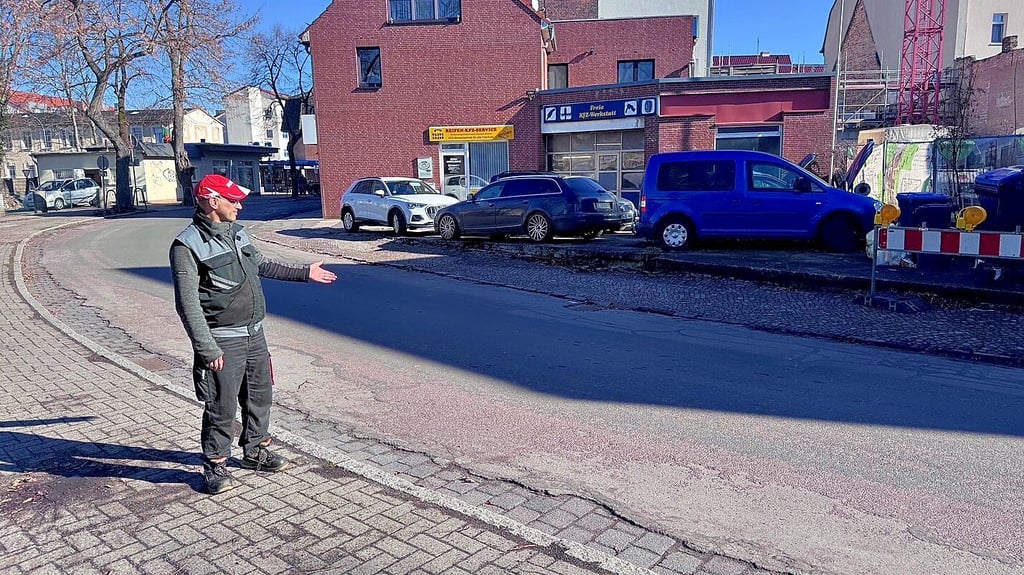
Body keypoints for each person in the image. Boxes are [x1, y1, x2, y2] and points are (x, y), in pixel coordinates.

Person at [169, 173, 337, 495]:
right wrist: (208, 349)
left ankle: (255, 450)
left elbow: (262, 265)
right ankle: (215, 464)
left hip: (254, 334)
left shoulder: (238, 234)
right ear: (212, 202)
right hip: (223, 340)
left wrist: (305, 272)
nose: (240, 205)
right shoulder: (187, 246)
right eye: (233, 200)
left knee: (260, 396)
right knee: (222, 405)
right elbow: (188, 306)